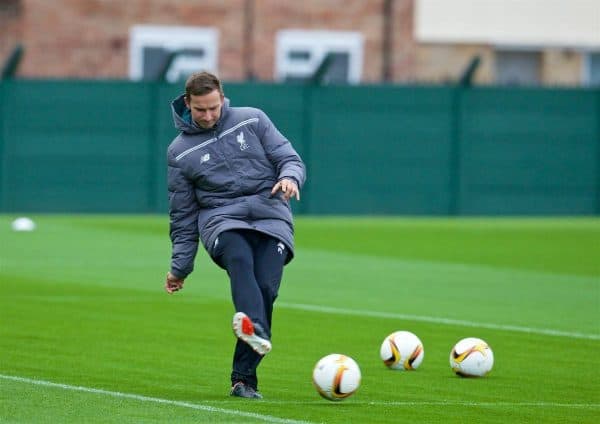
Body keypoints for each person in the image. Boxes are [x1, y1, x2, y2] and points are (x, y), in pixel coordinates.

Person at [164, 71, 306, 399]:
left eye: (214, 107)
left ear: (222, 97)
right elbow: (183, 216)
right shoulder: (179, 152)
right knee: (240, 259)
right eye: (201, 110)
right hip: (221, 221)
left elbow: (289, 158)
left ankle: (244, 375)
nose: (209, 115)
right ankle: (250, 350)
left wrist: (290, 178)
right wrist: (180, 267)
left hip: (271, 216)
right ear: (188, 103)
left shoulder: (252, 120)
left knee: (267, 287)